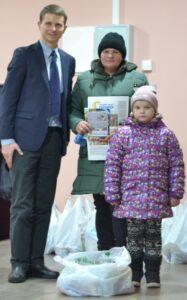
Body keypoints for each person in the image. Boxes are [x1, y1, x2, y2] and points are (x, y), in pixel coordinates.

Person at [0, 4, 75, 283]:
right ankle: (18, 262)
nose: (54, 29)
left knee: (44, 204)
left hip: (54, 140)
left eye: (59, 25)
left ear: (64, 28)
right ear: (40, 24)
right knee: (22, 204)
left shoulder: (67, 60)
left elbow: (65, 99)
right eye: (49, 24)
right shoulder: (24, 55)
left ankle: (35, 261)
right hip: (24, 142)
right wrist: (6, 140)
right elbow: (7, 98)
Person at [69, 32, 148, 250]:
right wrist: (77, 124)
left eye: (115, 52)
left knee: (122, 204)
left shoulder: (138, 79)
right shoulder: (85, 79)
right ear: (100, 54)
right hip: (94, 152)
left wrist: (130, 126)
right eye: (106, 51)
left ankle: (123, 254)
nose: (110, 55)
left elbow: (147, 111)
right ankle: (105, 252)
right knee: (101, 204)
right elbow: (72, 110)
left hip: (126, 154)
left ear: (122, 55)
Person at [104, 85, 185, 288]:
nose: (142, 111)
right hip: (131, 199)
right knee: (133, 239)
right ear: (132, 110)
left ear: (155, 110)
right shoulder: (123, 134)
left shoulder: (166, 135)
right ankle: (135, 273)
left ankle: (152, 275)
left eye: (146, 107)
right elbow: (112, 165)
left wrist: (175, 192)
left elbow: (176, 164)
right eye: (138, 107)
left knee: (154, 239)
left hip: (156, 198)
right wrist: (113, 192)